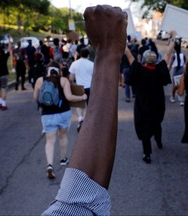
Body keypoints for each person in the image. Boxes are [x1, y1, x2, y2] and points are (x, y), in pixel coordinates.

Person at [42, 5, 127, 215]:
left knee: (80, 116)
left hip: (83, 91)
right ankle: (80, 126)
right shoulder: (90, 64)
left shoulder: (73, 66)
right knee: (86, 112)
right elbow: (79, 203)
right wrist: (108, 52)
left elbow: (69, 78)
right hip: (93, 89)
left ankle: (80, 122)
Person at [124, 32, 175, 164]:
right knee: (156, 123)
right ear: (155, 60)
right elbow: (168, 54)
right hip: (157, 103)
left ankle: (147, 154)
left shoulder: (139, 70)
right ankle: (158, 141)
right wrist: (173, 37)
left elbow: (128, 54)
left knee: (145, 128)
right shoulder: (159, 69)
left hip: (142, 104)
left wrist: (121, 40)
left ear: (144, 59)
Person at [33, 62, 87, 179]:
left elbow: (35, 97)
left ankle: (50, 166)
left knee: (50, 141)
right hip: (63, 113)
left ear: (47, 70)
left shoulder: (40, 81)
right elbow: (69, 97)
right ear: (59, 71)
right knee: (63, 136)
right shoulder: (63, 80)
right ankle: (63, 159)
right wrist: (82, 97)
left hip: (47, 115)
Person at [69, 48, 94, 132]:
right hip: (89, 86)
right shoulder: (92, 64)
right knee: (89, 105)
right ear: (88, 55)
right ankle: (88, 122)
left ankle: (80, 119)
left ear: (80, 54)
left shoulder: (74, 63)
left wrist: (71, 84)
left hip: (79, 86)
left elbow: (71, 77)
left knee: (79, 105)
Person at [169, 37, 186, 106]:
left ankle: (173, 97)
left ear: (175, 49)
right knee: (182, 84)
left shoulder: (174, 56)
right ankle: (181, 100)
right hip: (181, 70)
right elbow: (186, 63)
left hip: (176, 70)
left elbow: (170, 65)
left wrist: (168, 71)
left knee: (175, 85)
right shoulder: (183, 55)